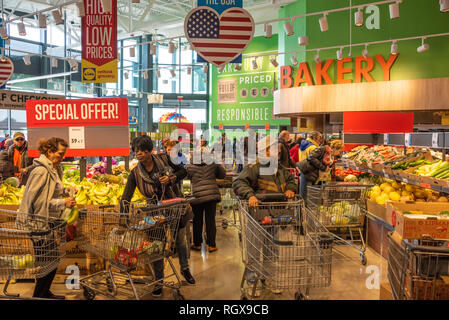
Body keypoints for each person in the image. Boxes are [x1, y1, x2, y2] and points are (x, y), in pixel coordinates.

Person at [119, 135, 195, 297]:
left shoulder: (165, 159)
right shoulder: (135, 174)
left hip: (174, 207)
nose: (138, 153)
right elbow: (126, 197)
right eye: (135, 150)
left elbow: (183, 171)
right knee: (157, 247)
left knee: (180, 240)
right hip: (154, 212)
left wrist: (170, 178)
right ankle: (158, 281)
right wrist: (123, 217)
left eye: (141, 150)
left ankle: (185, 268)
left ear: (149, 151)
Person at [232, 136, 297, 296]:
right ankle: (251, 282)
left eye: (279, 148)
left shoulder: (280, 169)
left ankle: (268, 277)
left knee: (271, 250)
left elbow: (291, 181)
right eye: (275, 148)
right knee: (254, 250)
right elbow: (238, 182)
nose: (279, 151)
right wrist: (250, 195)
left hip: (275, 215)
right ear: (264, 150)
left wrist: (290, 189)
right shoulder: (254, 167)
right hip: (257, 215)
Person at [17, 137, 75, 299]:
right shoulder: (41, 171)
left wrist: (66, 191)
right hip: (38, 224)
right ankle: (40, 294)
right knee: (50, 262)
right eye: (60, 153)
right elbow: (39, 202)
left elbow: (51, 192)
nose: (63, 157)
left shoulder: (53, 169)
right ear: (49, 151)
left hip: (45, 223)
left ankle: (43, 293)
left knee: (48, 262)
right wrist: (64, 202)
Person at [186, 147, 226, 253]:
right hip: (211, 196)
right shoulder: (212, 163)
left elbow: (187, 179)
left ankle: (197, 244)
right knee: (210, 220)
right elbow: (222, 175)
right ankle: (212, 245)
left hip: (197, 196)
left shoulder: (189, 166)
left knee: (197, 221)